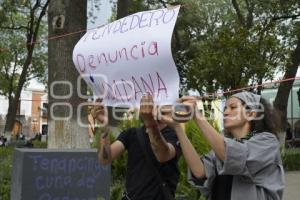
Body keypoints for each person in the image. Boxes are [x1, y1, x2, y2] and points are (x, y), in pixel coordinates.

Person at [160, 91, 285, 200]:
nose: (225, 112)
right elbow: (199, 172)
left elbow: (233, 156)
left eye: (232, 107)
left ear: (251, 114)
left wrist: (197, 116)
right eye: (225, 108)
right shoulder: (224, 148)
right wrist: (177, 128)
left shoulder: (267, 141)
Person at [92, 94, 181, 200]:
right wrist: (104, 125)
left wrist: (149, 121)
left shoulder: (175, 135)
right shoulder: (132, 134)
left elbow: (162, 155)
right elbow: (105, 160)